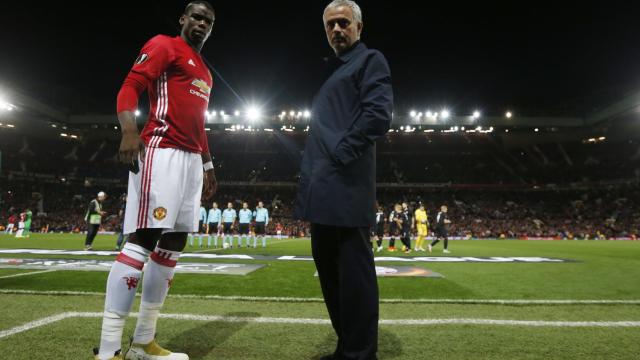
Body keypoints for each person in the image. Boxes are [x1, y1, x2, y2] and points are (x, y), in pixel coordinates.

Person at [94, 2, 217, 359]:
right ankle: (108, 349)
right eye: (196, 17)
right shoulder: (165, 45)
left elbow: (199, 123)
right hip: (161, 152)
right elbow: (131, 86)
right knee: (144, 239)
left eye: (208, 21)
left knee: (174, 242)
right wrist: (129, 130)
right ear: (183, 20)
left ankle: (143, 342)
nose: (202, 24)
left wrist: (207, 164)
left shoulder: (205, 73)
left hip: (191, 160)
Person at [293, 1, 393, 358]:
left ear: (358, 27)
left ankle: (361, 354)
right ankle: (347, 349)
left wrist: (337, 156)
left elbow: (378, 116)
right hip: (322, 185)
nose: (337, 30)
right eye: (330, 25)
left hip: (346, 185)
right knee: (331, 275)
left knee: (354, 277)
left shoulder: (370, 61)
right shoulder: (332, 70)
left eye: (343, 23)